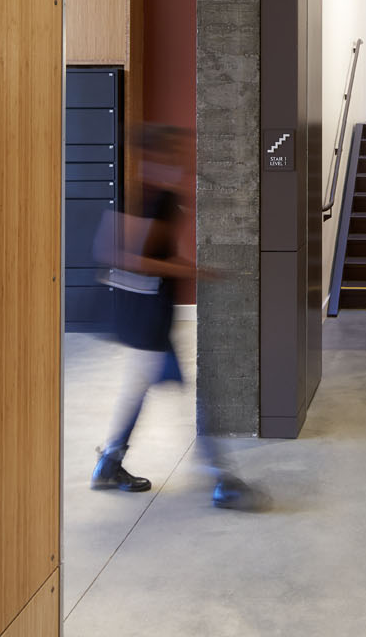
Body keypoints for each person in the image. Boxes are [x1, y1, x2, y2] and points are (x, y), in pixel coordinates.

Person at [91, 124, 254, 508]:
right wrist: (192, 272)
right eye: (178, 151)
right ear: (160, 155)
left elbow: (152, 255)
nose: (186, 159)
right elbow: (133, 259)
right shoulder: (157, 197)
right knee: (194, 399)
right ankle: (221, 480)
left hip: (148, 317)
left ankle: (110, 462)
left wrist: (195, 268)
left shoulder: (154, 194)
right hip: (148, 319)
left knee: (144, 388)